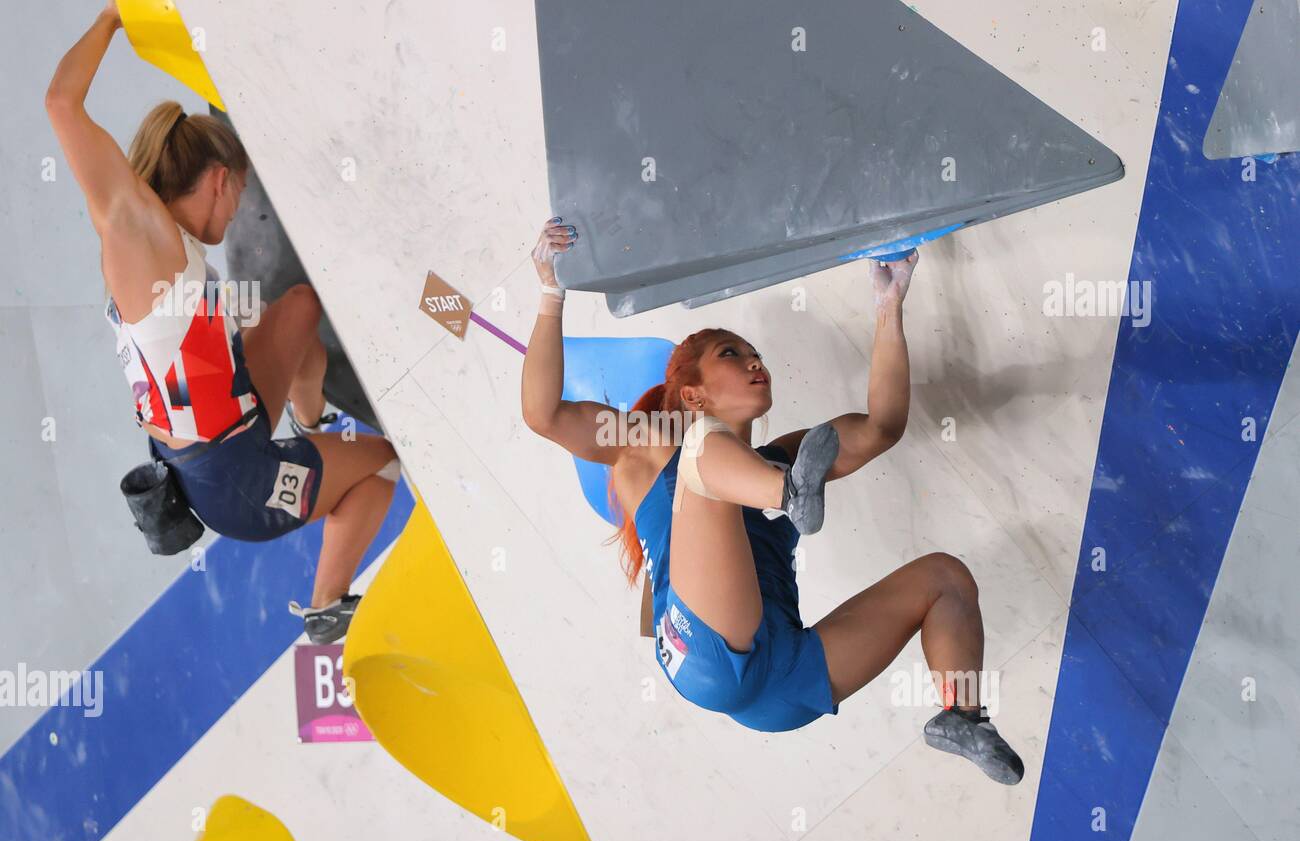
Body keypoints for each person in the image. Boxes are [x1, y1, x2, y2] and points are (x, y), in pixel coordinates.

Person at [522, 218, 1023, 784]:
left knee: (946, 578)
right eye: (731, 354)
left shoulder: (786, 453)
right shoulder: (643, 446)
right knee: (700, 450)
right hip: (702, 653)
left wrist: (890, 307)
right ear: (693, 391)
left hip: (781, 682)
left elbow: (882, 426)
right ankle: (787, 497)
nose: (755, 362)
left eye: (755, 353)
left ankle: (965, 714)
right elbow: (545, 415)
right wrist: (549, 292)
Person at [46, 2, 399, 643]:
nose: (239, 212)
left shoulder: (175, 246)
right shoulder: (139, 229)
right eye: (238, 192)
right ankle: (326, 607)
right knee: (383, 465)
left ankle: (311, 424)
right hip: (241, 485)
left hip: (228, 427)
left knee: (298, 311)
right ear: (217, 180)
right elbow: (61, 105)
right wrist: (112, 19)